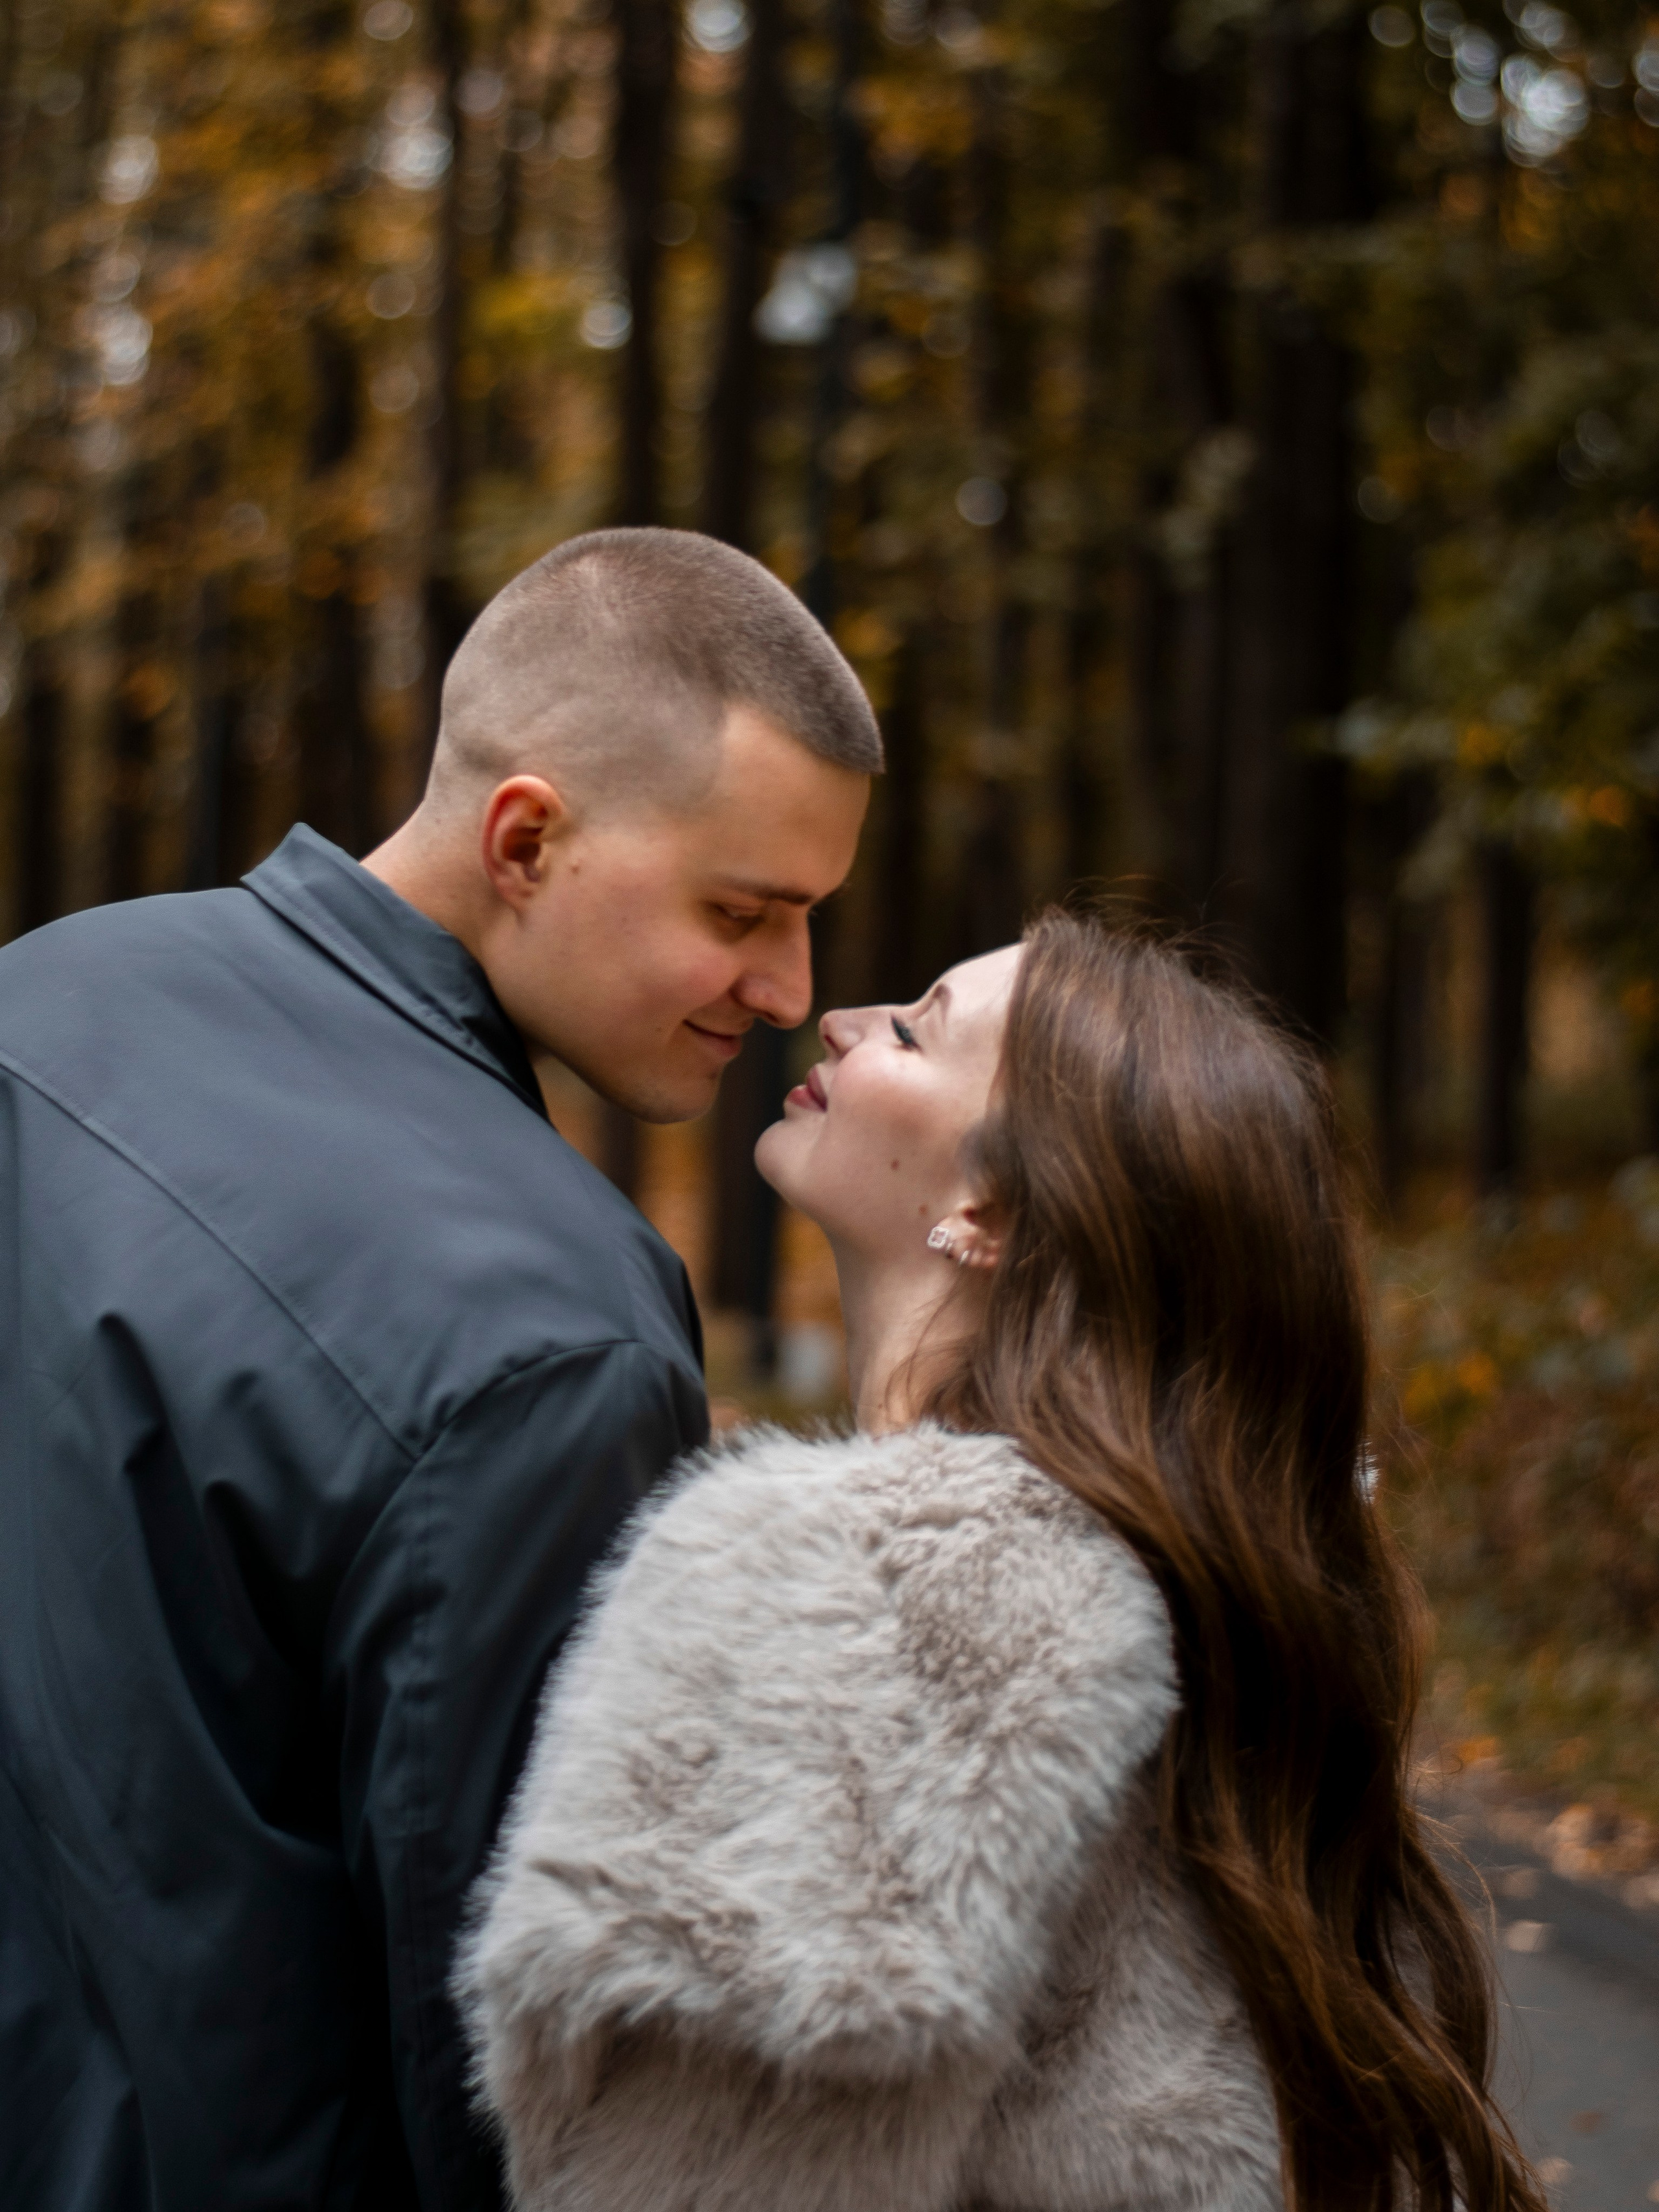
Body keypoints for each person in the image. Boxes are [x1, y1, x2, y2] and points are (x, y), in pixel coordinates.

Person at [0, 528, 877, 2211]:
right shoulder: (551, 1335)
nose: (789, 990)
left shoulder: (42, 994)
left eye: (809, 921)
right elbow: (512, 2068)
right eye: (742, 913)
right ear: (527, 836)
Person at [461, 913, 1546, 2212]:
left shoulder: (865, 1585)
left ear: (988, 1202)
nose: (840, 1019)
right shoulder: (1175, 1565)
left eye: (914, 1029)